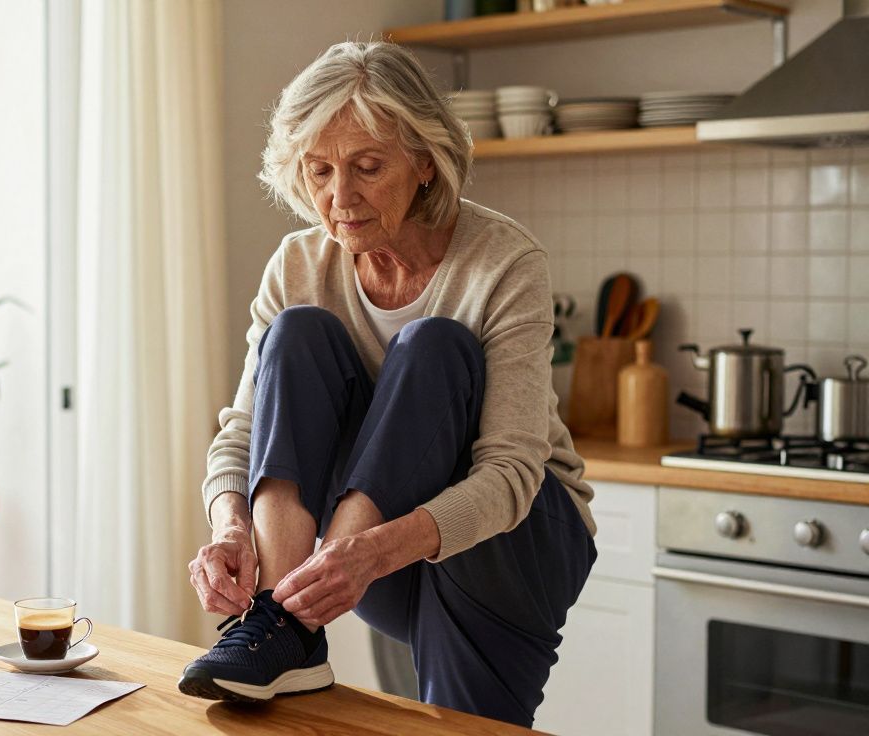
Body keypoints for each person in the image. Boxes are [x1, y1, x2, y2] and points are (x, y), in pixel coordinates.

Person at [178, 41, 596, 729]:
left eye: (368, 167)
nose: (339, 198)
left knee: (434, 348)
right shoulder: (298, 265)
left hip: (513, 541)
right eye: (319, 170)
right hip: (369, 546)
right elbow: (244, 433)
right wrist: (231, 528)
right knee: (298, 334)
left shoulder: (503, 260)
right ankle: (284, 625)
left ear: (426, 161)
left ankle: (288, 621)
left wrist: (368, 551)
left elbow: (512, 472)